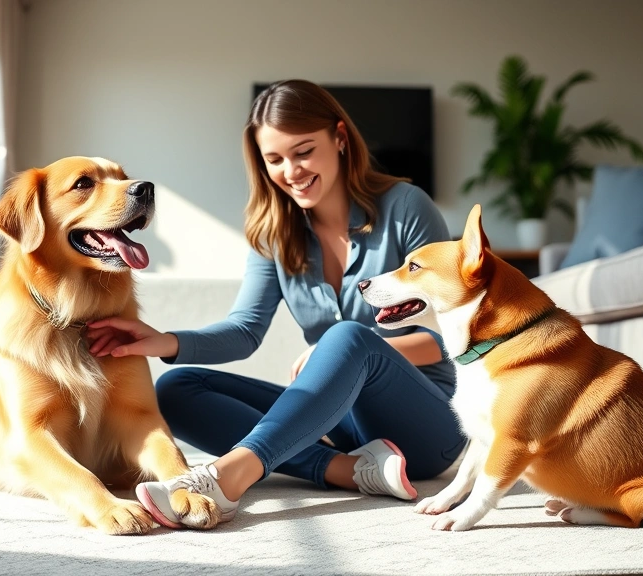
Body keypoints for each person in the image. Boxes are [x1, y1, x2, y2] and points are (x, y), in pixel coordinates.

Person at [85, 79, 466, 528]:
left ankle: (229, 477)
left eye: (304, 151)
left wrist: (348, 351)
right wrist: (162, 341)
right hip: (341, 428)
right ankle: (346, 470)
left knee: (346, 337)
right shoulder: (273, 232)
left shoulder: (406, 207)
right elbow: (245, 330)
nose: (291, 170)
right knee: (175, 389)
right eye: (275, 159)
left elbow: (456, 332)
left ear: (339, 140)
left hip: (429, 423)